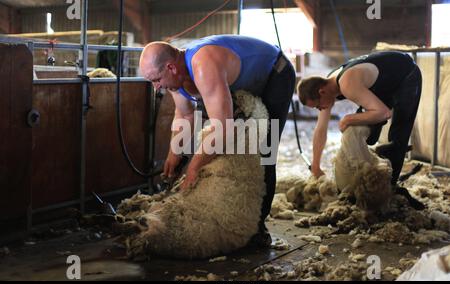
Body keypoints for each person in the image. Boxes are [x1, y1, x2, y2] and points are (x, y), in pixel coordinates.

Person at [139, 35, 296, 246]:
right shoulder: (175, 81)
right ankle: (231, 215)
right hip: (243, 80)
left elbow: (222, 128)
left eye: (156, 80)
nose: (157, 87)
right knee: (228, 150)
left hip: (275, 73)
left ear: (171, 67)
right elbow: (185, 116)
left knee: (264, 149)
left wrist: (193, 168)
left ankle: (257, 228)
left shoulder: (203, 65)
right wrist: (174, 153)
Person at [297, 51, 422, 186]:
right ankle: (372, 168)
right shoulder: (328, 87)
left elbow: (384, 113)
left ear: (321, 92)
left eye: (317, 106)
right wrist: (315, 165)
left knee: (398, 134)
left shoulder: (347, 84)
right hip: (383, 84)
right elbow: (320, 129)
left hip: (406, 74)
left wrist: (348, 119)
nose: (320, 109)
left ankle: (389, 186)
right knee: (368, 134)